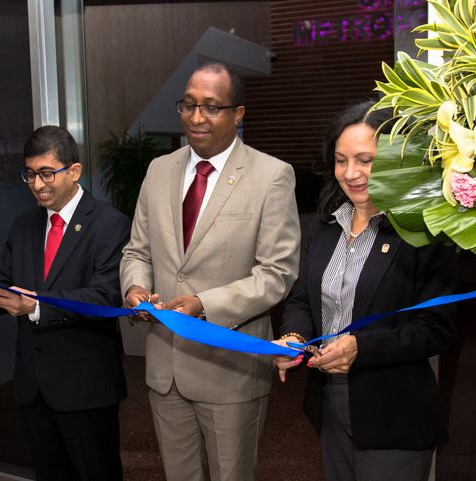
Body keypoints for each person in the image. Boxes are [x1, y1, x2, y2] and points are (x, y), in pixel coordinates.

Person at [120, 61, 301, 481]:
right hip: (165, 371)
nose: (196, 118)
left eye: (212, 107)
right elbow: (137, 251)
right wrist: (135, 289)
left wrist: (204, 303)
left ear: (238, 114)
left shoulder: (272, 176)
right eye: (188, 105)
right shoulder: (158, 170)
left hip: (229, 370)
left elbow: (277, 273)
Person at [273, 101, 457, 481]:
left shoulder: (424, 229)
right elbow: (302, 299)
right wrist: (293, 335)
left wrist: (362, 347)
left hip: (394, 413)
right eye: (341, 161)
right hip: (329, 404)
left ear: (394, 158)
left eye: (365, 160)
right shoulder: (325, 226)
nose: (351, 173)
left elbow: (435, 327)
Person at [0, 126, 128, 481]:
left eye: (46, 173)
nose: (38, 185)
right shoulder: (23, 226)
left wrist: (36, 307)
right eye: (30, 174)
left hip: (85, 387)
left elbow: (105, 297)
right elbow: (5, 283)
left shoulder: (109, 225)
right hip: (33, 387)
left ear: (75, 171)